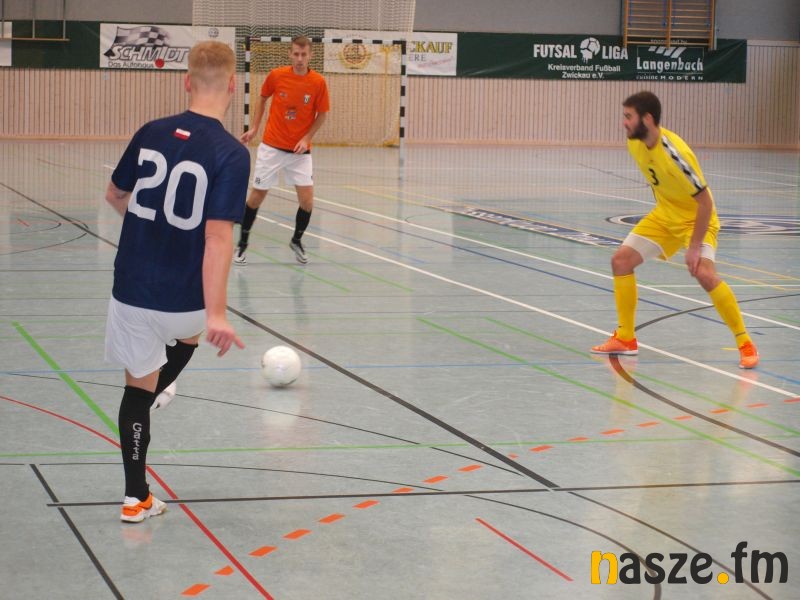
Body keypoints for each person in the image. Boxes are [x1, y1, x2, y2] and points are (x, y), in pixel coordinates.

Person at [104, 41, 248, 523]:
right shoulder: (231, 153)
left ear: (186, 81)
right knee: (187, 335)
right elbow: (217, 238)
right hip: (184, 298)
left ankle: (135, 499)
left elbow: (115, 194)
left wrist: (152, 228)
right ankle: (164, 385)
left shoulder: (151, 132)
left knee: (135, 391)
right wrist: (217, 314)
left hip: (131, 286)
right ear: (233, 85)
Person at [591, 91, 759, 370]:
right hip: (665, 215)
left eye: (628, 117)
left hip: (696, 219)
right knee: (621, 261)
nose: (624, 123)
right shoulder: (634, 143)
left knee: (704, 273)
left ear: (647, 119)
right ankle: (626, 338)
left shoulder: (675, 154)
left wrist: (693, 247)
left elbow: (705, 202)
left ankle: (745, 343)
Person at [234, 35, 330, 266]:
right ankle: (242, 244)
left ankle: (296, 240)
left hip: (299, 153)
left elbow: (322, 115)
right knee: (256, 197)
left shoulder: (318, 82)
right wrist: (254, 128)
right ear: (290, 54)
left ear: (310, 55)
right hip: (272, 147)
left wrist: (306, 138)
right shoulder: (276, 76)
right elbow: (262, 99)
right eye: (296, 54)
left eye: (304, 54)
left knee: (307, 202)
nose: (300, 59)